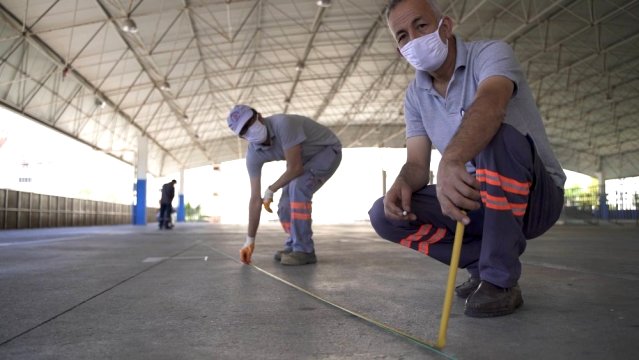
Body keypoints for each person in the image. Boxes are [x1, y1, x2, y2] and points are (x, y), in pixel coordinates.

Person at [368, 0, 566, 317]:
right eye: (403, 36)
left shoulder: (490, 54)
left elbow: (491, 104)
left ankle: (500, 279)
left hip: (533, 198)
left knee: (496, 135)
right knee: (385, 214)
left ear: (445, 27)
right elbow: (418, 164)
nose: (414, 39)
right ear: (400, 51)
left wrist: (452, 160)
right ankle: (481, 264)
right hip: (477, 199)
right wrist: (403, 182)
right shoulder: (415, 95)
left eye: (421, 25)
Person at [227, 104, 342, 266]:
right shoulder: (253, 154)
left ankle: (304, 250)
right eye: (244, 130)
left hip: (327, 150)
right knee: (284, 205)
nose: (249, 130)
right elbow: (255, 199)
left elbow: (295, 168)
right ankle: (294, 243)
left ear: (259, 116)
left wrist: (271, 189)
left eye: (249, 123)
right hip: (304, 161)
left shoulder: (283, 124)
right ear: (242, 137)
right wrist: (249, 241)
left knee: (298, 188)